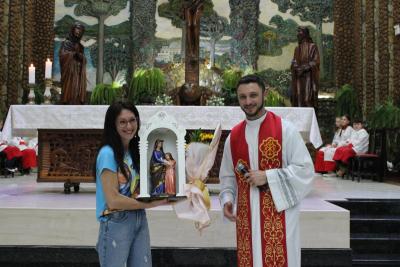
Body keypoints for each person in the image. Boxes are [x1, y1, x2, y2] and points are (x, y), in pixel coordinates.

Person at [219, 74, 314, 267]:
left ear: (265, 94)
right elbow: (228, 176)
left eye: (253, 95)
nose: (248, 101)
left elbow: (305, 170)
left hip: (281, 217)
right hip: (246, 219)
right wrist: (227, 200)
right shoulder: (234, 137)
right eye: (242, 97)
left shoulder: (285, 130)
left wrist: (268, 176)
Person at [95, 101, 165, 267]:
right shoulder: (107, 153)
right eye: (122, 122)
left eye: (132, 120)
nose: (129, 126)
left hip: (139, 218)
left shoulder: (135, 151)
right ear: (113, 125)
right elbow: (113, 200)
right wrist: (150, 204)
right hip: (116, 221)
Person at [291, 26, 320, 108]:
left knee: (307, 99)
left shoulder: (313, 46)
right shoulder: (297, 49)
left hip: (309, 77)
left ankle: (310, 120)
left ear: (305, 34)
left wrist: (304, 68)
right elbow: (294, 61)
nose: (297, 34)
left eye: (299, 31)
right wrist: (296, 66)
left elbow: (316, 61)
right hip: (299, 78)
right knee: (298, 98)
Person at [59, 22, 87, 104]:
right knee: (70, 88)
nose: (79, 32)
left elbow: (83, 59)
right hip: (69, 72)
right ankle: (67, 100)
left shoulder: (80, 46)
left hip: (78, 72)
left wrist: (81, 56)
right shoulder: (66, 43)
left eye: (81, 30)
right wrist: (73, 54)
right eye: (77, 29)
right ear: (72, 29)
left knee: (77, 88)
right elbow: (62, 56)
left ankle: (78, 100)